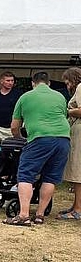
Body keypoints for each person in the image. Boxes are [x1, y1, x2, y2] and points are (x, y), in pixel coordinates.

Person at [3, 71, 70, 226]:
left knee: (26, 175)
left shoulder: (25, 97)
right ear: (49, 83)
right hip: (63, 139)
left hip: (40, 138)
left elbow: (14, 126)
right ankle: (39, 215)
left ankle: (23, 215)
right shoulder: (60, 97)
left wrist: (20, 138)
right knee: (50, 177)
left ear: (33, 83)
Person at [59, 67, 81, 219]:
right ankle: (75, 205)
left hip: (79, 131)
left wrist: (66, 111)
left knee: (77, 170)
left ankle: (78, 210)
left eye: (67, 82)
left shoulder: (80, 87)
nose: (67, 86)